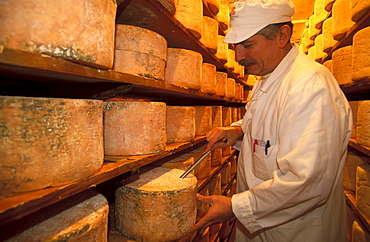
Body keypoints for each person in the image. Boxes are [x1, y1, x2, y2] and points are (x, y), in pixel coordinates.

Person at [191, 0, 353, 241]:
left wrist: (236, 207)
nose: (239, 56)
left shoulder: (310, 87)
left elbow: (307, 181)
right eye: (236, 46)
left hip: (295, 231)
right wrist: (237, 131)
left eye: (248, 44)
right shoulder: (267, 78)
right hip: (264, 224)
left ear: (282, 36)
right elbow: (263, 122)